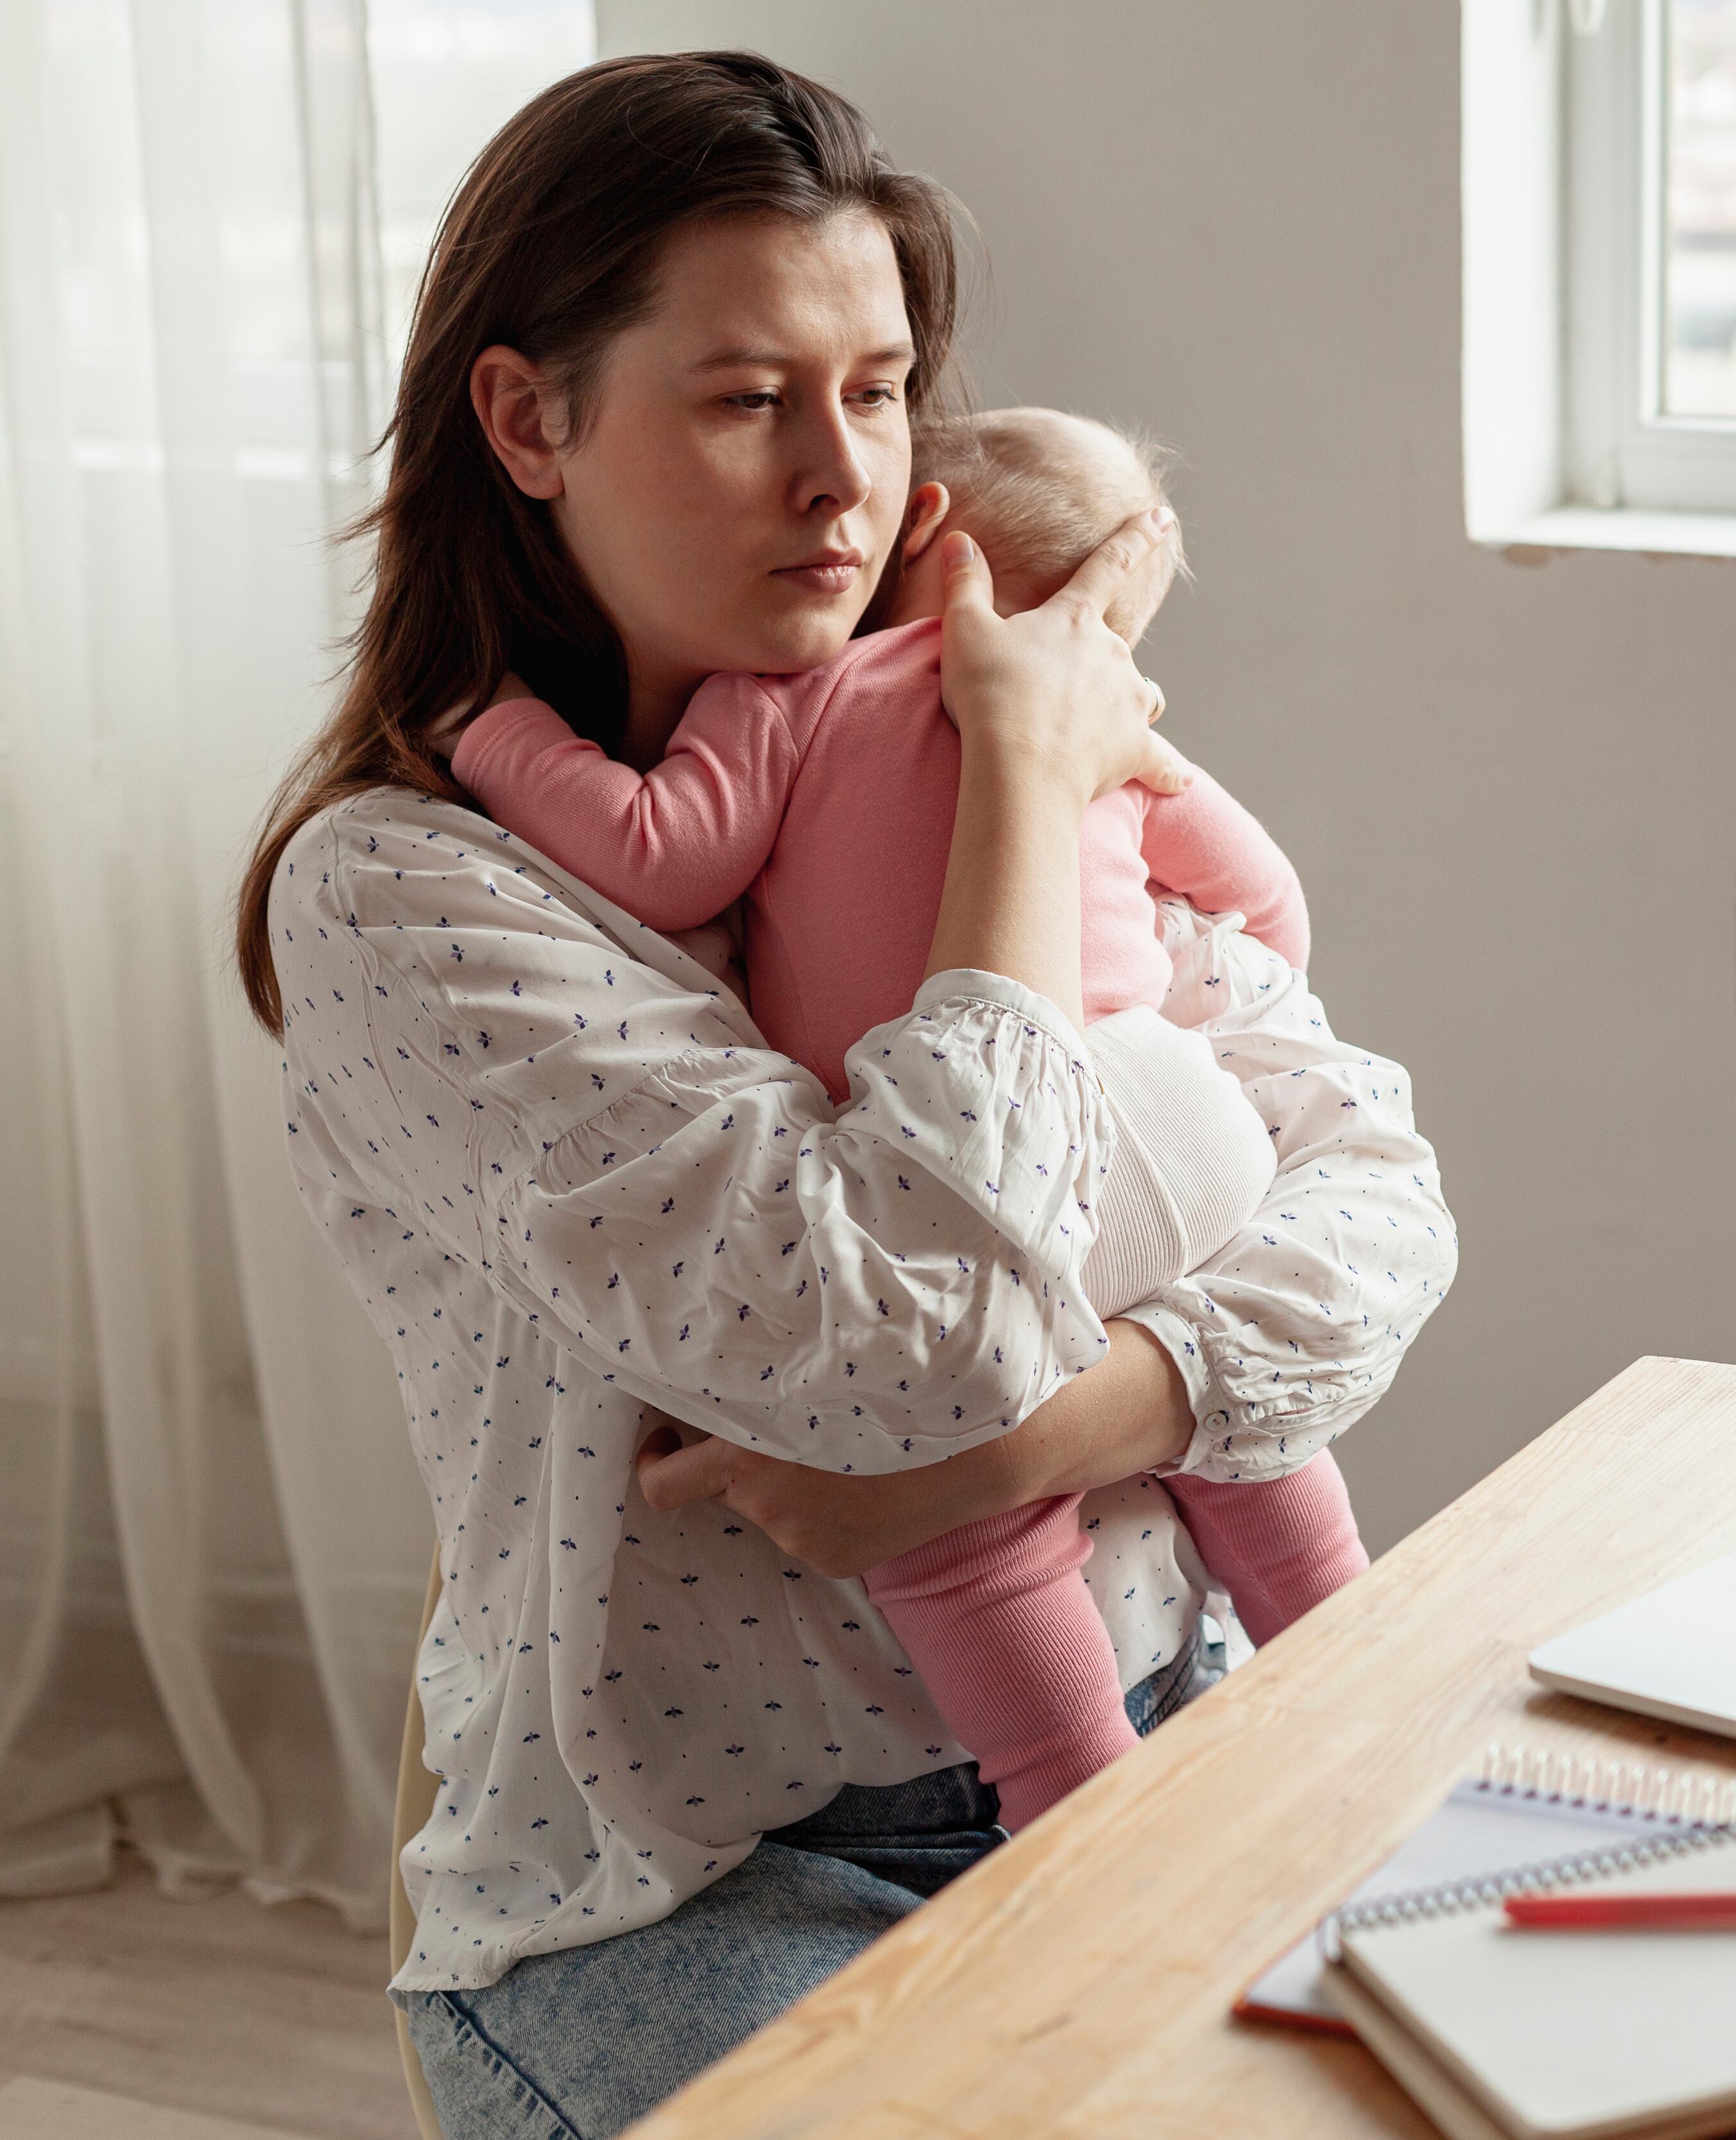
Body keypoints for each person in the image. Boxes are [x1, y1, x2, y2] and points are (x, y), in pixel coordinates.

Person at [230, 49, 1450, 2140]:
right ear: (526, 420)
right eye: (746, 397)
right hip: (703, 1885)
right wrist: (1033, 793)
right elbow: (915, 1351)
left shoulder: (939, 718)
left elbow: (1378, 1203)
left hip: (1188, 1708)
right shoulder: (413, 889)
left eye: (878, 390)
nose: (843, 475)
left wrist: (1086, 1428)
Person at [445, 408, 1365, 1825]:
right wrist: (1172, 984)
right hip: (1181, 1109)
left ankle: (1071, 1803)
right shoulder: (1104, 719)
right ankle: (1362, 1672)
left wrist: (494, 730)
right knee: (1252, 1445)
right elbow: (1270, 902)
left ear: (918, 525)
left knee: (956, 1515)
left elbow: (656, 855)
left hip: (1009, 1138)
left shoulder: (799, 688)